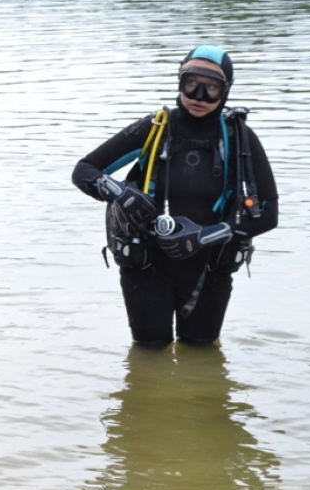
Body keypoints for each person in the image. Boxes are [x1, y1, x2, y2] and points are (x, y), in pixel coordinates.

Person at [71, 45, 278, 346]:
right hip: (147, 267)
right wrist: (119, 193)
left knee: (202, 358)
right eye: (191, 83)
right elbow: (84, 170)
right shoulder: (156, 128)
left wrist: (204, 236)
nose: (199, 96)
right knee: (148, 352)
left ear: (226, 91)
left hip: (209, 270)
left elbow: (268, 213)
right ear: (179, 81)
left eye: (212, 87)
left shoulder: (238, 139)